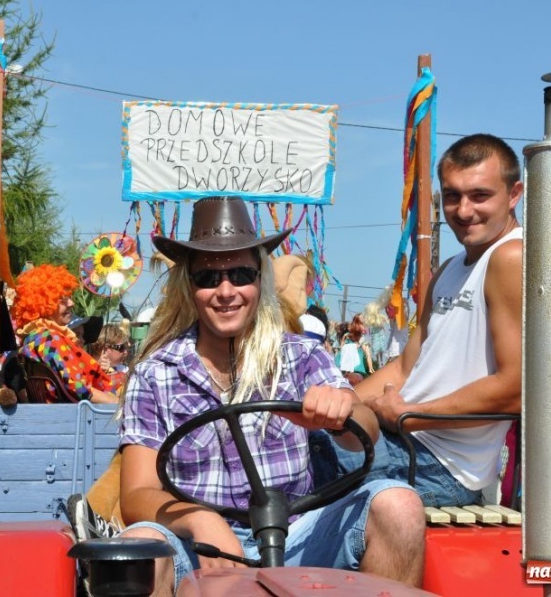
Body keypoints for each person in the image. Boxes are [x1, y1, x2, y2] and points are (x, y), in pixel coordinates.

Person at [116, 196, 425, 594]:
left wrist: (342, 410)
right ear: (189, 287)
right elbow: (137, 494)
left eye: (241, 274)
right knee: (141, 548)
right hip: (197, 545)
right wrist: (198, 519)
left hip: (297, 536)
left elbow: (364, 429)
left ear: (260, 280)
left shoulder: (301, 356)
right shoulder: (156, 374)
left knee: (398, 504)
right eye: (208, 278)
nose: (225, 291)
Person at [353, 133, 523, 507]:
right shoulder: (448, 269)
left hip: (442, 467)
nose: (463, 211)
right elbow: (404, 369)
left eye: (480, 195)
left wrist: (410, 416)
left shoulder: (511, 257)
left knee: (298, 466)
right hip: (403, 440)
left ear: (514, 194)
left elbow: (516, 387)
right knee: (289, 441)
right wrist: (340, 402)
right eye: (451, 196)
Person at [4, 264, 117, 404]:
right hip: (75, 416)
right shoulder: (50, 338)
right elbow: (79, 388)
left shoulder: (33, 338)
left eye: (69, 297)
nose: (71, 303)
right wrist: (117, 404)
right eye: (62, 300)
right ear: (44, 305)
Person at [92, 323, 131, 395]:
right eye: (122, 347)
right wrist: (98, 373)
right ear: (105, 348)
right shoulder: (86, 366)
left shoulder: (124, 370)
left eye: (126, 347)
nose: (126, 352)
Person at [337, 314, 375, 383]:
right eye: (362, 324)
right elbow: (341, 351)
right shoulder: (347, 336)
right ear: (356, 324)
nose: (365, 327)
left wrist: (371, 368)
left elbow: (368, 355)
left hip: (355, 369)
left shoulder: (361, 339)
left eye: (365, 325)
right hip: (348, 369)